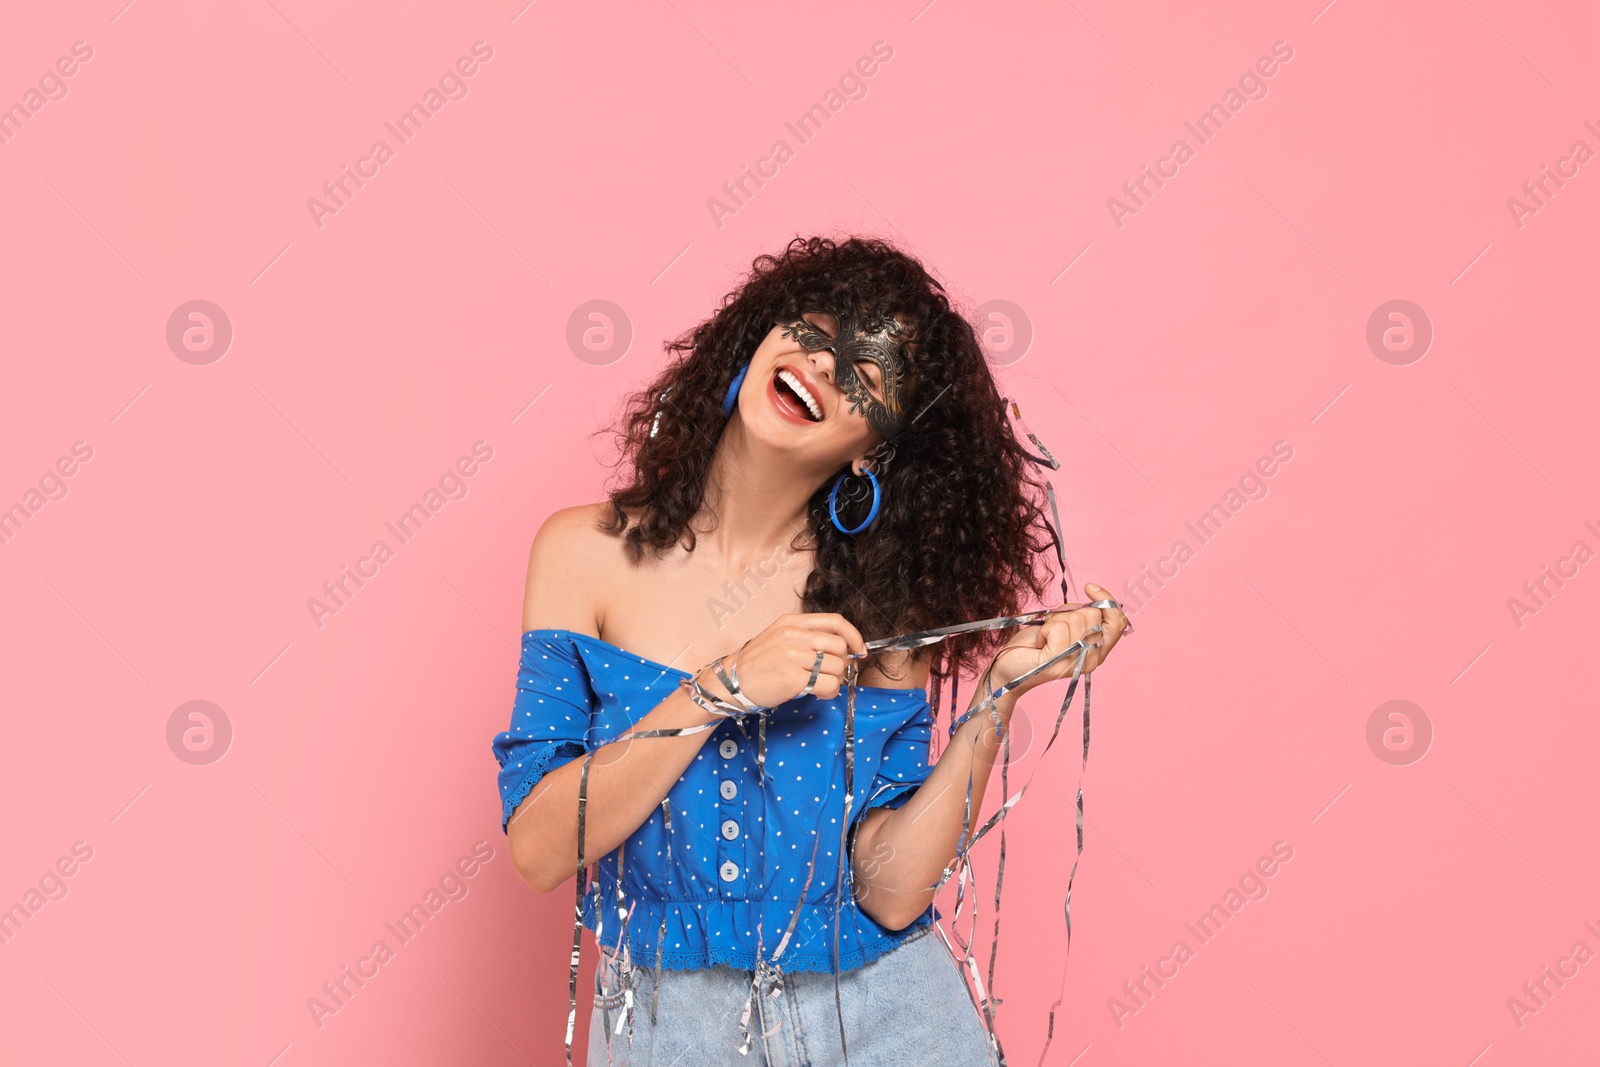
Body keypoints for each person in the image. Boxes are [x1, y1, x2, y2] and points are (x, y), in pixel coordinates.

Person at [493, 235, 1128, 1066]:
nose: (826, 366)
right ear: (757, 336)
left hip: (889, 1018)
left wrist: (998, 696)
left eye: (867, 376)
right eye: (818, 330)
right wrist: (722, 688)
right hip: (671, 1028)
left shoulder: (882, 603)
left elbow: (891, 892)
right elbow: (541, 848)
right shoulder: (584, 553)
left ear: (874, 448)